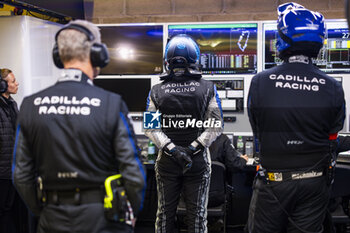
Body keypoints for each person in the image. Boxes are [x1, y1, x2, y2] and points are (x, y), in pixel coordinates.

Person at [12, 20, 146, 233]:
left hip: (51, 218)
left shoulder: (29, 105)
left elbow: (20, 175)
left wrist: (43, 210)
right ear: (97, 54)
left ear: (59, 55)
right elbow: (133, 172)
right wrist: (131, 211)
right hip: (103, 219)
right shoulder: (111, 104)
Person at [247, 2, 345, 233]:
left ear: (281, 38)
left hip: (273, 182)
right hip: (314, 183)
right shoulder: (332, 86)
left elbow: (258, 131)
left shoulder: (260, 81)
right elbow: (332, 137)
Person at [145, 34, 224, 233]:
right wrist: (191, 149)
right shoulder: (208, 88)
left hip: (167, 161)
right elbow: (215, 126)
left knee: (164, 214)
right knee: (197, 216)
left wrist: (173, 150)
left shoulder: (156, 90)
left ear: (167, 60)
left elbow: (150, 128)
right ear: (194, 58)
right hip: (197, 161)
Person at [0, 68, 28, 233]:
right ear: (2, 85)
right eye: (13, 81)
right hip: (2, 172)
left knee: (11, 211)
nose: (17, 84)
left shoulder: (12, 104)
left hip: (13, 170)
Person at [208, 134, 248, 207]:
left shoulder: (190, 138)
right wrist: (243, 160)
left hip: (191, 197)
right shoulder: (222, 139)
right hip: (216, 197)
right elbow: (235, 165)